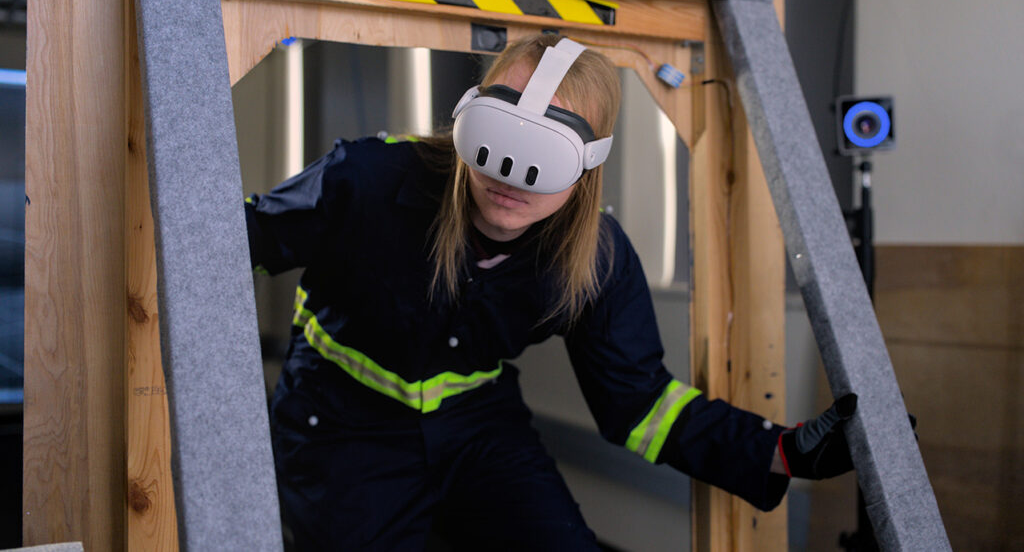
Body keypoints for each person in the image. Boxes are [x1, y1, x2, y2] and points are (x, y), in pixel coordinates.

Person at [245, 34, 857, 551]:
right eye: (501, 135)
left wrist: (782, 451)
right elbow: (231, 246)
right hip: (340, 418)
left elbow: (639, 403)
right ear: (469, 119)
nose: (510, 175)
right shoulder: (368, 181)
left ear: (589, 162)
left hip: (476, 422)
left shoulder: (595, 259)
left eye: (543, 152)